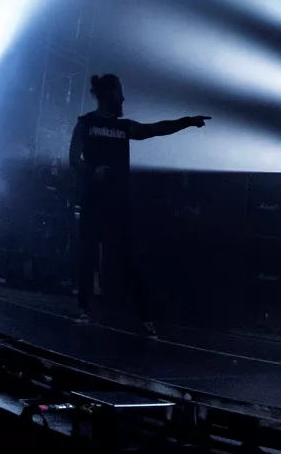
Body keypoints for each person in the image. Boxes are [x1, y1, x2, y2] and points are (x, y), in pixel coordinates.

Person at [68, 74, 209, 334]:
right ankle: (84, 308)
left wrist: (187, 121)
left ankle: (144, 317)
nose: (123, 98)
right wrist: (92, 171)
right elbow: (73, 159)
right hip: (93, 200)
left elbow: (155, 129)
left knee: (128, 258)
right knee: (88, 255)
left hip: (119, 202)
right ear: (108, 94)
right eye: (119, 92)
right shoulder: (86, 124)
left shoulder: (124, 128)